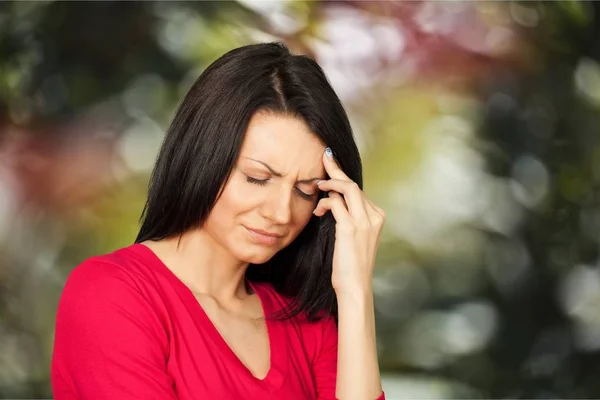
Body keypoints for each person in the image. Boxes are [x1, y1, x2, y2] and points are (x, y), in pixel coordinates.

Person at [51, 42, 386, 400]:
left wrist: (354, 293)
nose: (281, 213)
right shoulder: (112, 295)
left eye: (305, 191)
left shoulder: (309, 327)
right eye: (258, 178)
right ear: (203, 158)